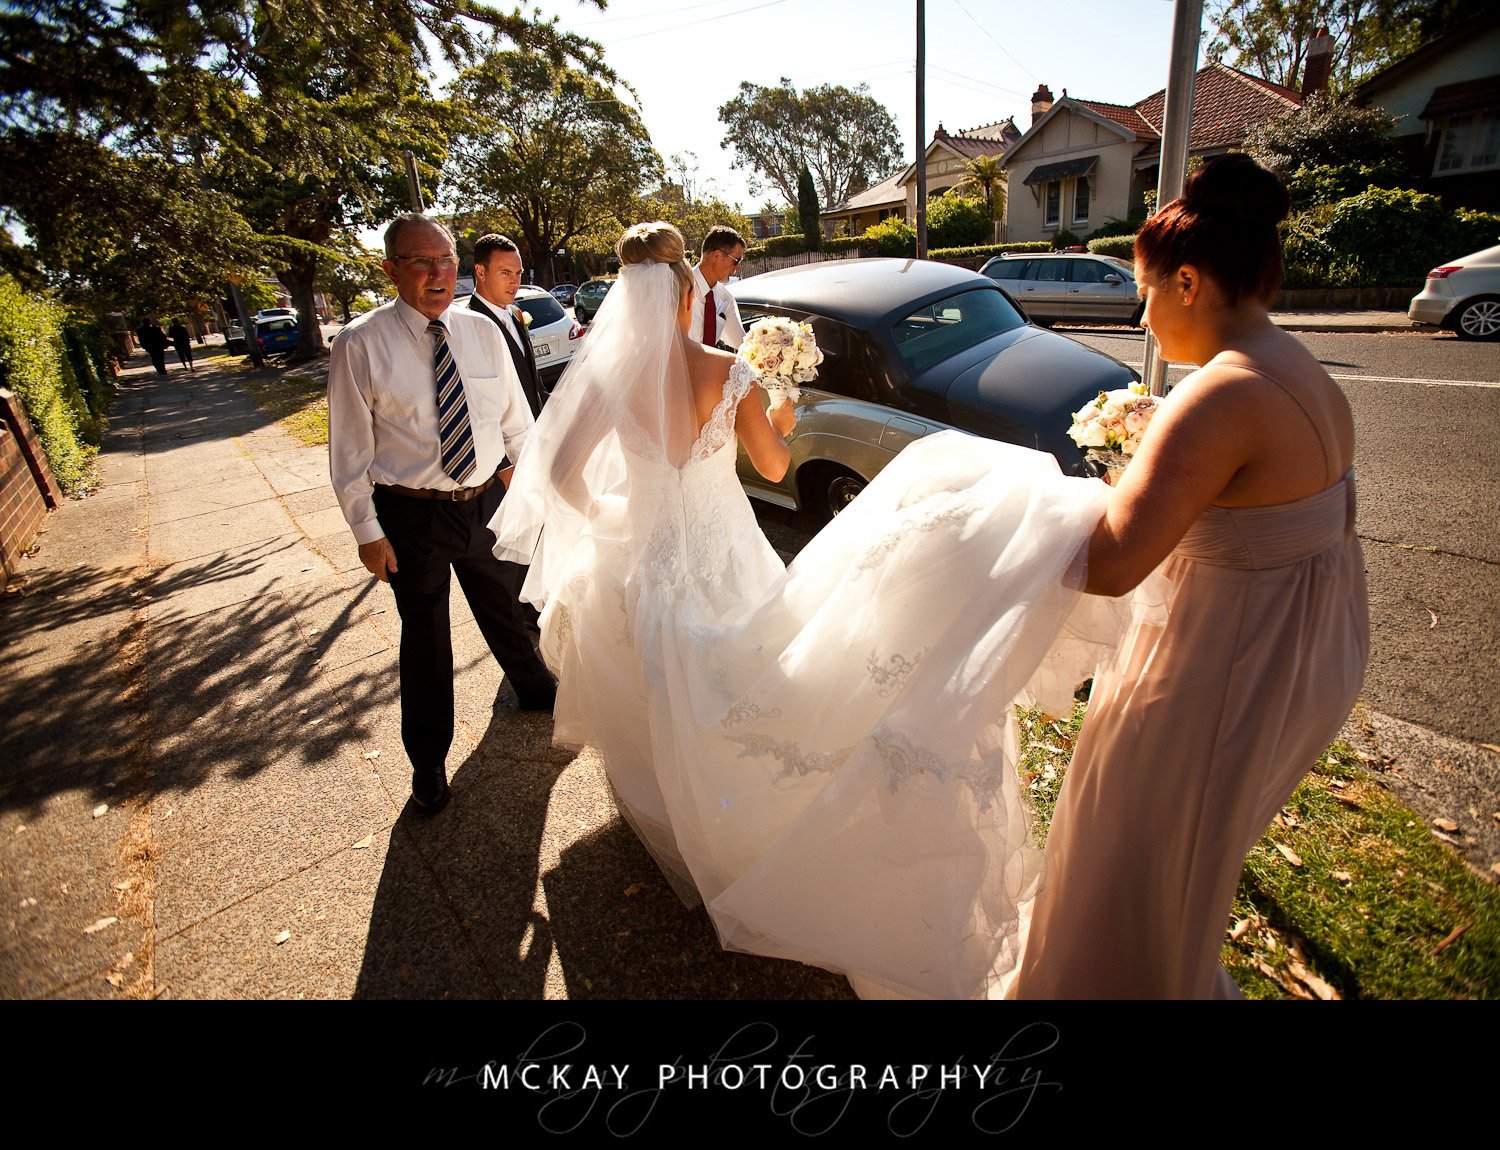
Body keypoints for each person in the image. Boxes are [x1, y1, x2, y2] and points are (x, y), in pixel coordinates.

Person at [491, 222, 1123, 998]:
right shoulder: (724, 373)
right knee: (752, 685)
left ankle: (682, 823)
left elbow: (557, 472)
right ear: (688, 290)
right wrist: (780, 404)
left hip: (642, 568)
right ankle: (751, 836)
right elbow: (775, 464)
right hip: (723, 557)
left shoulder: (603, 378)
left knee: (661, 694)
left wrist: (616, 526)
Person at [1014, 154, 1369, 998]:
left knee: (1128, 855)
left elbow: (1110, 564)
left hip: (1225, 665)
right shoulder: (1303, 370)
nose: (1141, 314)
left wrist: (1014, 515)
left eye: (1142, 292)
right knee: (1182, 857)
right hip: (1301, 652)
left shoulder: (1220, 395)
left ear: (1185, 282)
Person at [328, 212, 557, 816]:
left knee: (509, 605)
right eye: (421, 262)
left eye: (446, 260)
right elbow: (349, 451)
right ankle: (427, 761)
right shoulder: (360, 344)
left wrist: (529, 492)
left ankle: (535, 688)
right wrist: (366, 531)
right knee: (426, 639)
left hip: (483, 501)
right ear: (391, 269)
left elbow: (515, 424)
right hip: (412, 516)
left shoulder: (481, 333)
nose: (437, 273)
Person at [468, 233, 545, 416]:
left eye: (518, 273)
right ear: (480, 272)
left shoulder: (516, 314)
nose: (515, 282)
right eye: (505, 272)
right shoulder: (470, 325)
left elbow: (533, 383)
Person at [689, 225, 746, 350]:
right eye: (736, 261)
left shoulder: (725, 298)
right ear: (717, 256)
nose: (738, 268)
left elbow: (742, 345)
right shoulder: (681, 287)